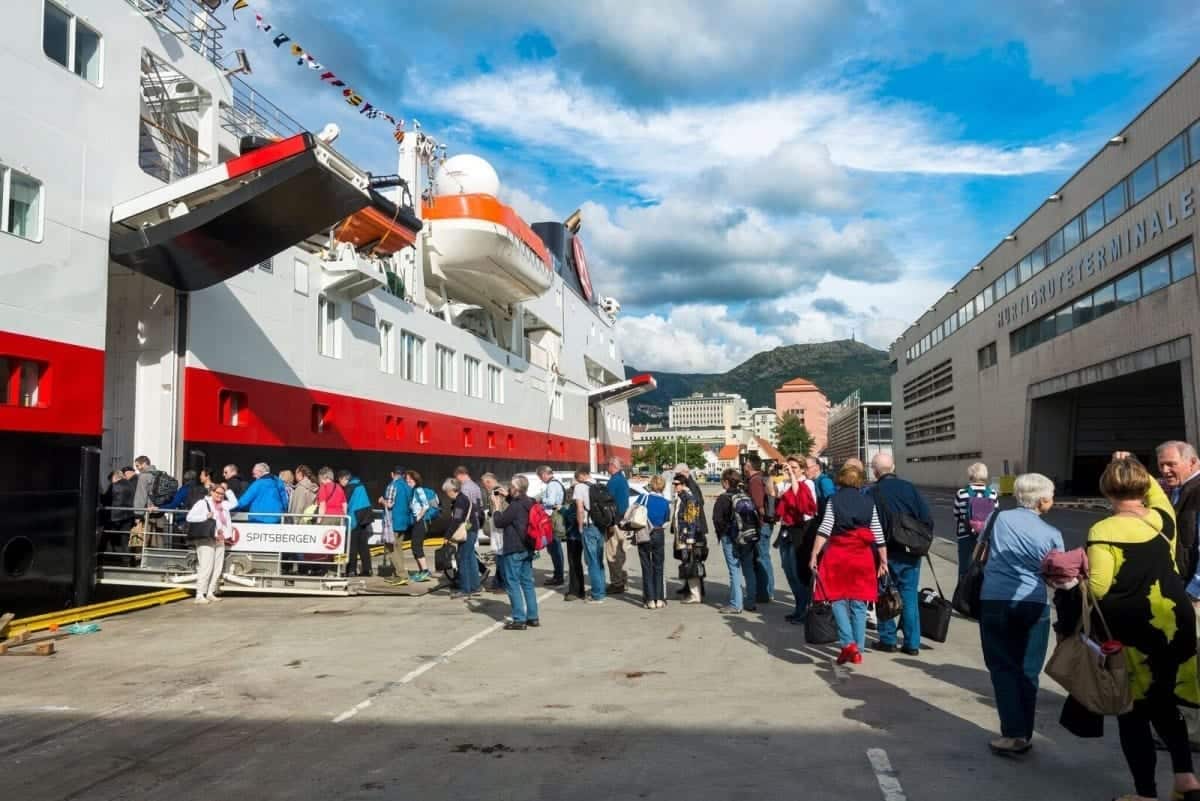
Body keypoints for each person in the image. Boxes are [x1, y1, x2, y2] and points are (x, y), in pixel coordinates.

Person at [977, 473, 1063, 756]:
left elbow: (984, 549)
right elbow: (1057, 574)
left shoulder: (997, 518)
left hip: (994, 599)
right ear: (1042, 500)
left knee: (1002, 666)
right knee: (1029, 671)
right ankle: (1023, 732)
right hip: (1034, 603)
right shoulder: (1053, 534)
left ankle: (1013, 733)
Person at [810, 463, 887, 665]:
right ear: (859, 481)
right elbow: (878, 533)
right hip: (862, 557)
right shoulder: (868, 501)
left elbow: (825, 529)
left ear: (841, 480)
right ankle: (858, 648)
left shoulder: (834, 500)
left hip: (838, 556)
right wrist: (883, 561)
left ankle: (848, 643)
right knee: (860, 603)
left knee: (837, 600)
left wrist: (814, 554)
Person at [870, 452, 933, 656]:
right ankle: (912, 643)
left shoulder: (873, 492)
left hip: (884, 551)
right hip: (909, 551)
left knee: (885, 594)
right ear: (894, 467)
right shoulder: (909, 488)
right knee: (909, 596)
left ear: (874, 470)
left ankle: (888, 639)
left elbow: (870, 525)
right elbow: (926, 519)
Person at [491, 475, 539, 629]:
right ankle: (533, 617)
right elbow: (519, 510)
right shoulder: (530, 502)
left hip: (514, 547)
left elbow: (499, 522)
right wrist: (508, 497)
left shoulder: (515, 506)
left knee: (512, 582)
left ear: (516, 489)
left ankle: (519, 619)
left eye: (511, 486)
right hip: (528, 546)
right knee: (527, 582)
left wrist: (497, 506)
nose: (509, 488)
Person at [778, 455, 818, 623]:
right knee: (788, 570)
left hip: (802, 530)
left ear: (802, 469)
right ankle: (799, 606)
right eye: (789, 467)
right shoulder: (786, 483)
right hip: (787, 529)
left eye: (794, 467)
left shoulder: (807, 483)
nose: (791, 470)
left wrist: (793, 477)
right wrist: (776, 474)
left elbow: (798, 499)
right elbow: (772, 492)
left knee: (799, 572)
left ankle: (805, 610)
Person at [711, 469, 756, 614]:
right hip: (748, 536)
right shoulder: (744, 495)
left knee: (734, 570)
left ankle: (736, 603)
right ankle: (750, 601)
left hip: (731, 538)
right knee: (748, 568)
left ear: (726, 481)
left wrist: (722, 533)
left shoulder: (724, 498)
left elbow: (717, 519)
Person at [185, 481, 234, 604]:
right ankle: (200, 594)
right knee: (206, 567)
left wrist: (227, 489)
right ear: (211, 492)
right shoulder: (203, 503)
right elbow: (189, 517)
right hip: (206, 537)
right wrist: (205, 516)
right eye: (218, 493)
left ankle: (210, 592)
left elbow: (235, 503)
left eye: (222, 494)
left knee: (217, 568)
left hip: (220, 538)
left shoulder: (224, 504)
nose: (220, 496)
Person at [955, 462, 999, 580]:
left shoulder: (962, 493)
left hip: (965, 534)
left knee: (965, 567)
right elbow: (994, 515)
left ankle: (962, 595)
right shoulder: (993, 493)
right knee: (983, 567)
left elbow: (957, 515)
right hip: (985, 536)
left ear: (970, 475)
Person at [636, 474, 672, 609]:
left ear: (651, 484)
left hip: (644, 533)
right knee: (659, 566)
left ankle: (649, 599)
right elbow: (666, 520)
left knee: (646, 566)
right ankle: (659, 598)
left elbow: (634, 513)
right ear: (662, 487)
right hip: (658, 533)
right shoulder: (665, 502)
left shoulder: (643, 498)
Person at [744, 454, 776, 604]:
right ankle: (767, 591)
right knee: (764, 557)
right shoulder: (762, 478)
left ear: (750, 466)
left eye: (745, 464)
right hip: (766, 524)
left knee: (761, 558)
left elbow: (758, 505)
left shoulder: (755, 481)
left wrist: (762, 520)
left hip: (761, 525)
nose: (744, 466)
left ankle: (765, 592)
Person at [443, 477, 480, 598]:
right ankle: (475, 586)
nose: (446, 494)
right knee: (470, 558)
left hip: (467, 533)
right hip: (472, 530)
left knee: (462, 559)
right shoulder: (465, 498)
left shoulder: (460, 501)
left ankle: (465, 589)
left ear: (453, 490)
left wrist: (447, 536)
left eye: (447, 491)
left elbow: (457, 519)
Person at [574, 467, 606, 603]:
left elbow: (580, 509)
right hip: (601, 526)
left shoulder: (580, 487)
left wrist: (580, 527)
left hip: (589, 526)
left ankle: (597, 594)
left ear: (581, 475)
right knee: (599, 561)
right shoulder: (598, 485)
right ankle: (601, 590)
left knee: (591, 562)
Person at [673, 475, 706, 604]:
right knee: (688, 564)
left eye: (677, 484)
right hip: (683, 537)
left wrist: (690, 539)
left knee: (691, 564)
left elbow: (692, 520)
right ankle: (693, 593)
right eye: (674, 484)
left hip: (688, 538)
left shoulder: (689, 498)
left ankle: (695, 595)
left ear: (683, 484)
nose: (674, 487)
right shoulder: (681, 497)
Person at [338, 470, 373, 577]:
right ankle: (367, 570)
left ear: (344, 478)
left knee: (352, 545)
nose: (340, 484)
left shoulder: (350, 487)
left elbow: (345, 504)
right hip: (365, 518)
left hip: (355, 518)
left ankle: (351, 570)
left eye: (340, 481)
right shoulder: (361, 484)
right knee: (363, 545)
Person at [406, 470, 439, 582]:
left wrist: (418, 517)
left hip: (421, 522)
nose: (408, 482)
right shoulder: (413, 491)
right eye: (407, 480)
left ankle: (425, 570)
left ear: (416, 480)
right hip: (418, 521)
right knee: (414, 546)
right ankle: (421, 571)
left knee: (416, 546)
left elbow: (425, 505)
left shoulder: (418, 490)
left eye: (410, 480)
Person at [536, 466, 566, 586]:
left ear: (544, 474)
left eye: (540, 477)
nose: (540, 479)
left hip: (552, 520)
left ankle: (558, 576)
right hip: (555, 518)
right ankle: (558, 575)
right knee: (555, 549)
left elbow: (551, 501)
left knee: (555, 549)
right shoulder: (556, 483)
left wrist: (540, 499)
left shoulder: (552, 485)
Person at [605, 457, 631, 594]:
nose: (606, 467)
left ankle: (617, 582)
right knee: (621, 552)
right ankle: (623, 579)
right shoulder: (622, 479)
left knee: (612, 553)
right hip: (622, 521)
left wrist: (608, 523)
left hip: (615, 521)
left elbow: (608, 503)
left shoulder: (614, 481)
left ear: (612, 466)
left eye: (608, 464)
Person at [99, 469, 135, 561]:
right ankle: (126, 559)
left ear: (114, 477)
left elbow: (106, 499)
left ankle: (99, 557)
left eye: (111, 480)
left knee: (105, 536)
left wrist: (99, 496)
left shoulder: (114, 486)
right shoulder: (130, 485)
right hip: (128, 515)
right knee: (125, 539)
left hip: (114, 516)